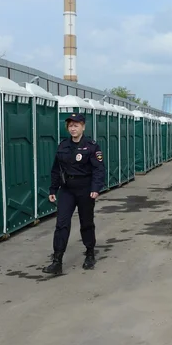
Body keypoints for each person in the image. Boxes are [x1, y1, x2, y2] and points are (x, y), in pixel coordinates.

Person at [43, 113, 106, 275]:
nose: (73, 128)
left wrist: (95, 188)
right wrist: (52, 189)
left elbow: (98, 170)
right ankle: (57, 261)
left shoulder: (92, 146)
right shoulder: (63, 146)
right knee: (61, 224)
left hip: (85, 189)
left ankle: (90, 253)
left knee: (86, 223)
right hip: (67, 190)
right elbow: (56, 170)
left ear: (83, 127)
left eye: (76, 125)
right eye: (70, 126)